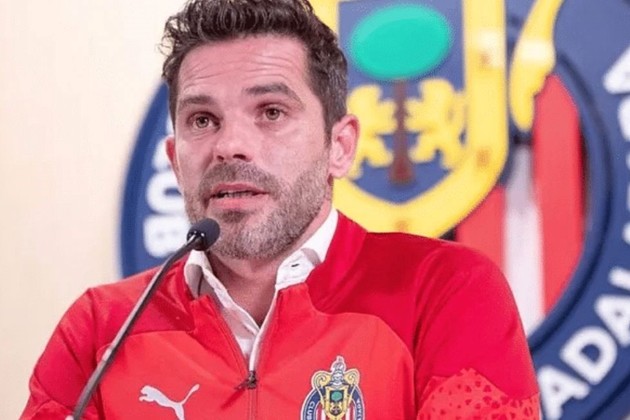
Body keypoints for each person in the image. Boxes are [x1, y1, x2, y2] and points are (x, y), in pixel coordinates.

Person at [22, 0, 540, 418]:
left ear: (339, 146)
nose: (230, 146)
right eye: (202, 120)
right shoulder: (100, 330)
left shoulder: (446, 291)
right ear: (176, 160)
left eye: (271, 112)